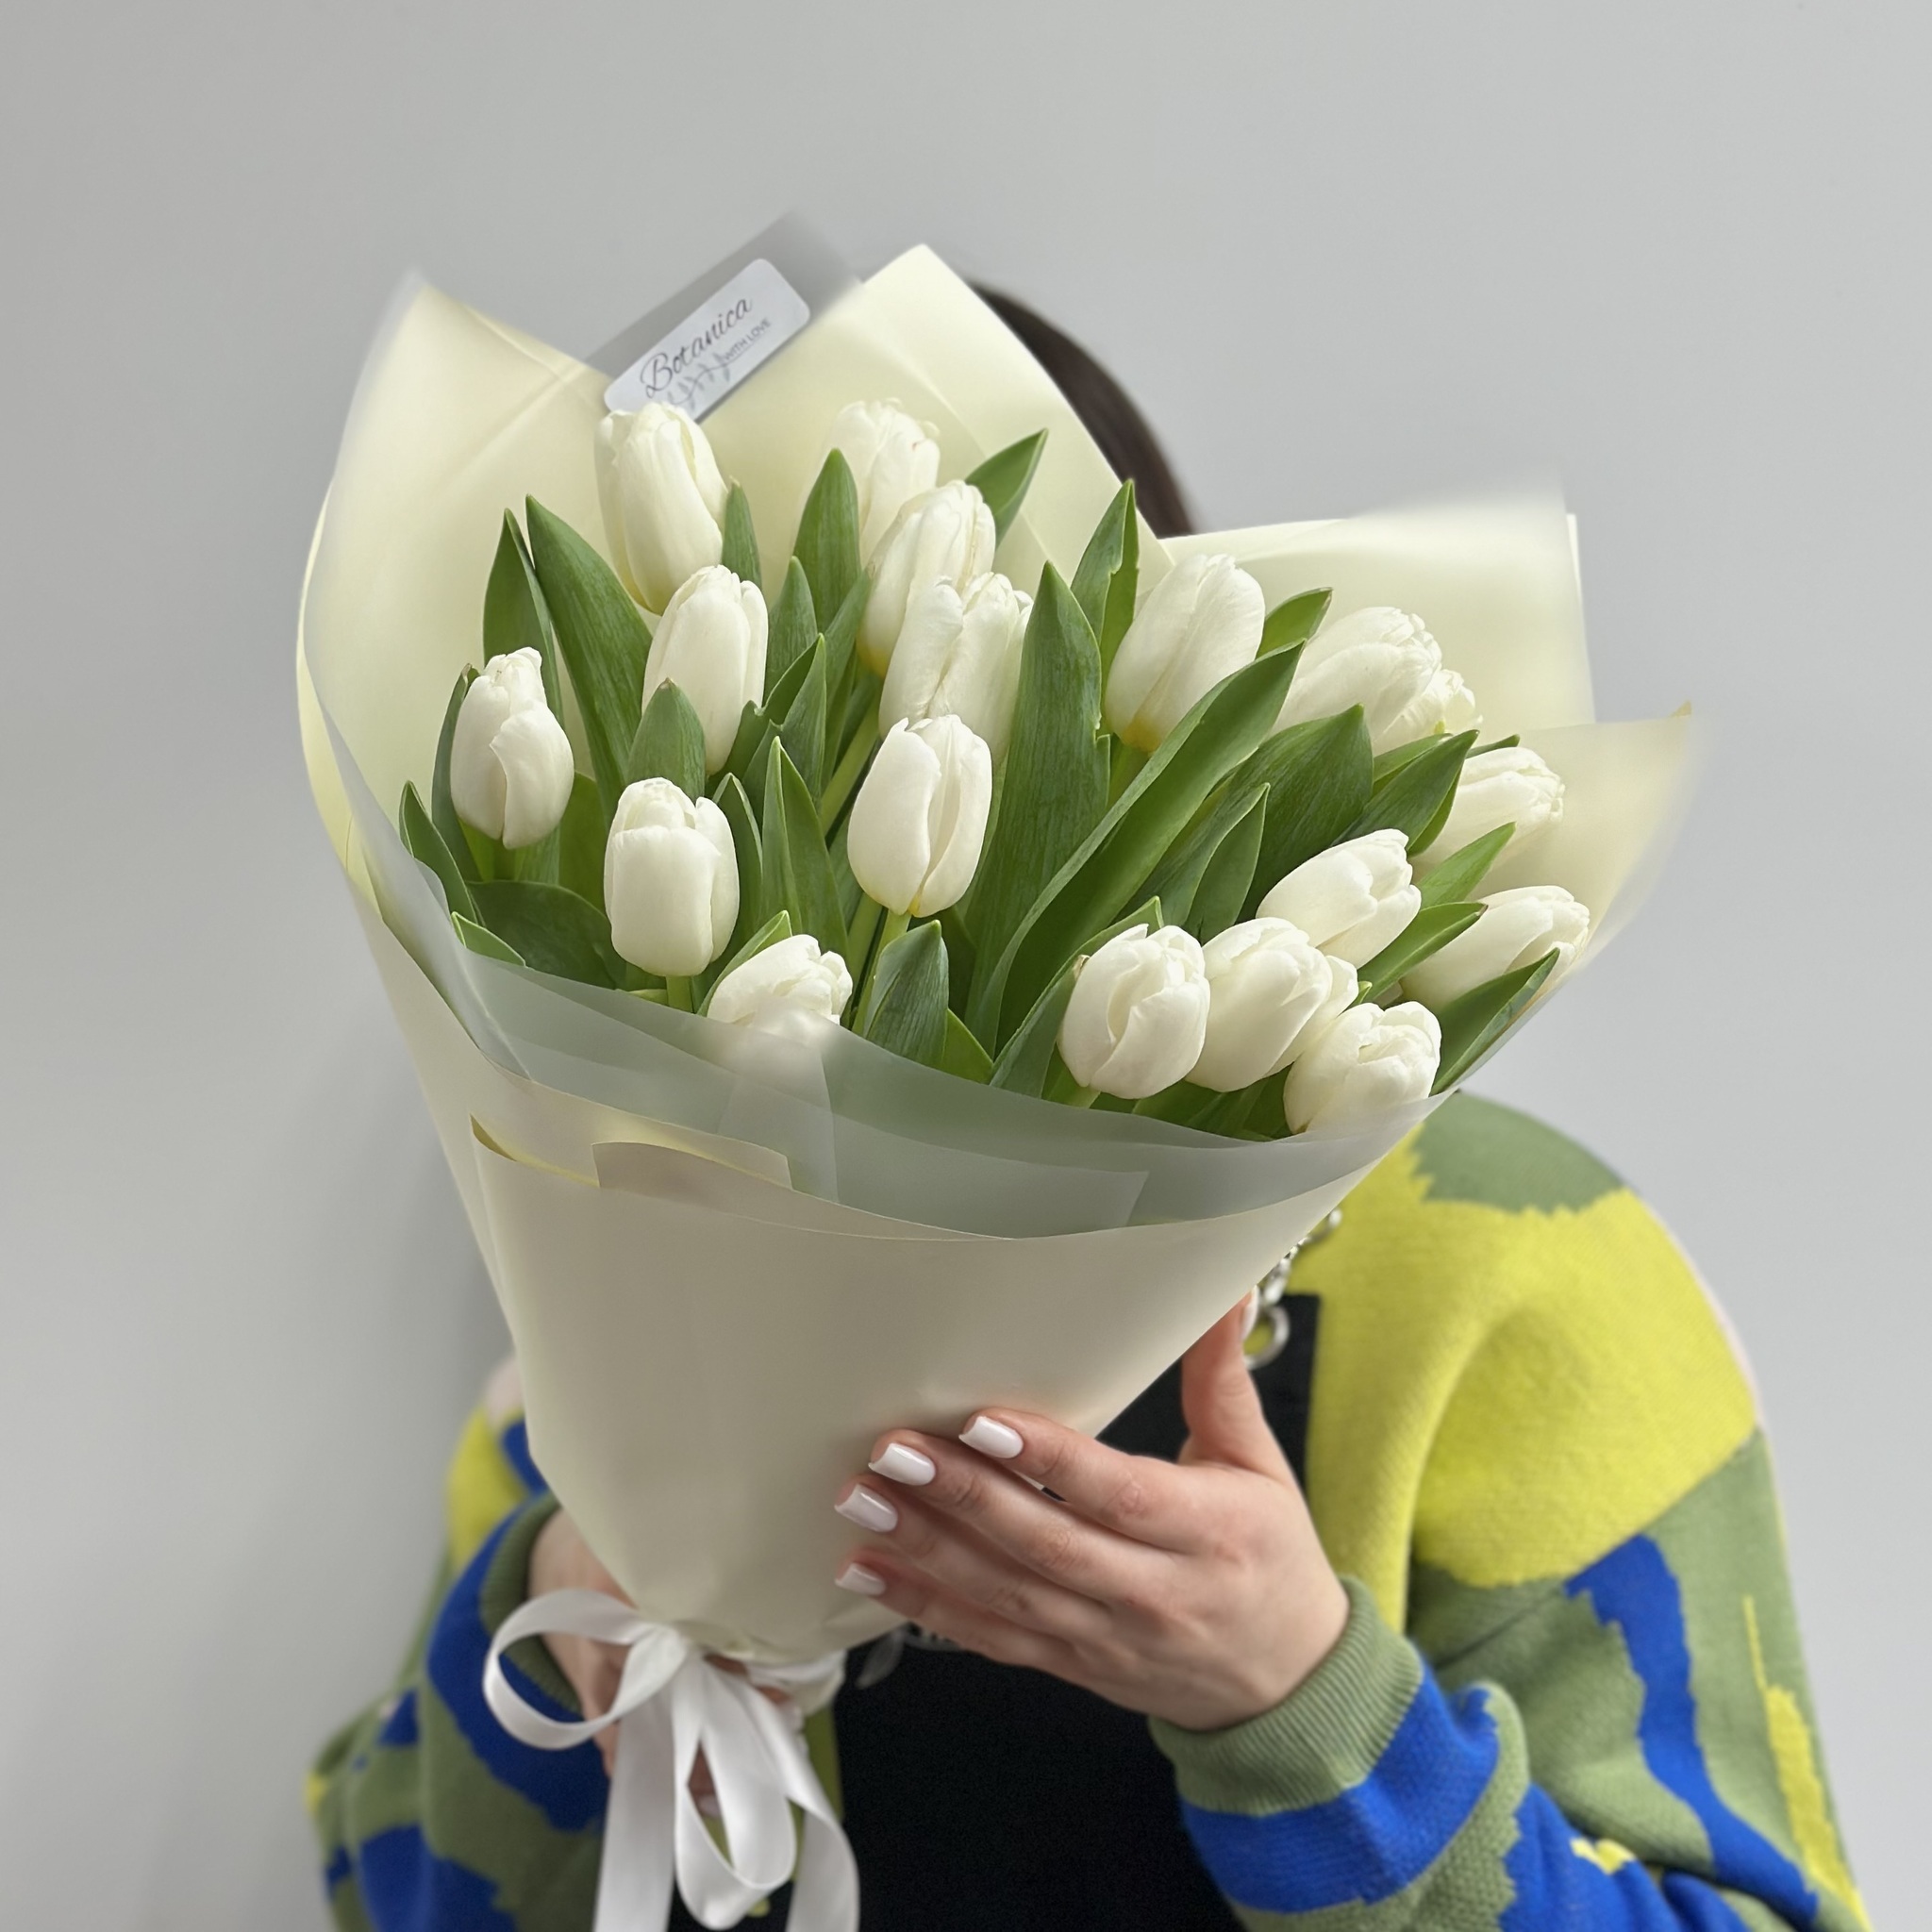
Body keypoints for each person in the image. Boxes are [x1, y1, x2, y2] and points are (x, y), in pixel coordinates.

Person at [308, 296, 1868, 1932]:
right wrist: (563, 1618)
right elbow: (387, 1894)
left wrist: (1299, 1699)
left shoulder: (1509, 1269)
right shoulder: (615, 1249)